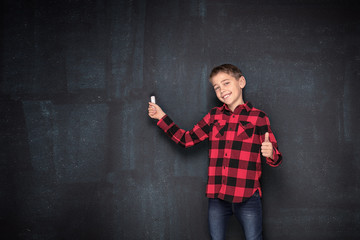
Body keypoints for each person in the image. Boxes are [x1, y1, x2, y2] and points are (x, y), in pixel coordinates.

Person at [148, 64, 282, 240]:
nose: (221, 90)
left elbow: (276, 158)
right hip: (218, 198)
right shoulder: (213, 116)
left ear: (241, 82)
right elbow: (186, 140)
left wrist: (270, 153)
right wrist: (161, 117)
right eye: (216, 87)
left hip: (247, 196)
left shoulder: (259, 118)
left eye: (226, 83)